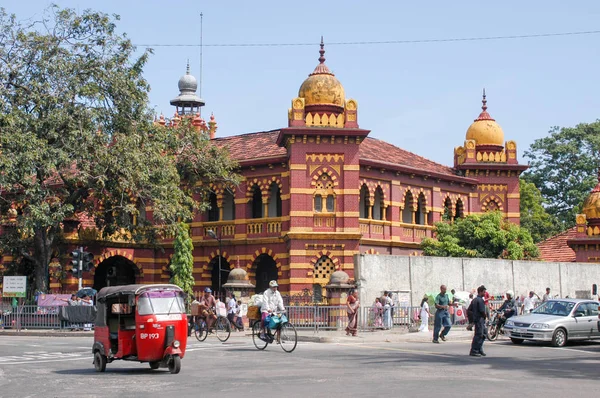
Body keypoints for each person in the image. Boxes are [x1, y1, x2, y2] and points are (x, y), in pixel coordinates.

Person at [470, 285, 488, 357]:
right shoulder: (479, 300)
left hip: (479, 320)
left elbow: (469, 310)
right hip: (479, 319)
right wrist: (485, 316)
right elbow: (482, 311)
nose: (485, 293)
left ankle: (479, 348)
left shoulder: (475, 300)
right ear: (480, 292)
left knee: (484, 334)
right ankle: (474, 350)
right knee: (479, 335)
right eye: (484, 291)